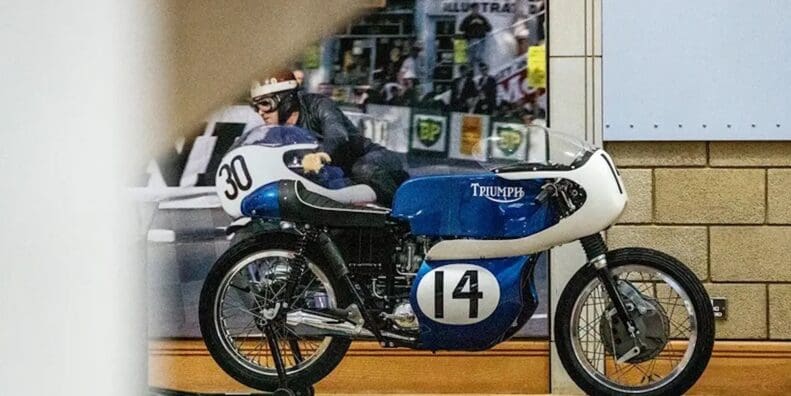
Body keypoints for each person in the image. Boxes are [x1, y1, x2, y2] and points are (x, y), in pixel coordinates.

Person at [249, 70, 408, 206]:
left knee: (363, 169)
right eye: (256, 106)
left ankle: (402, 218)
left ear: (286, 100)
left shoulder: (318, 104)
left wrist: (321, 154)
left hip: (368, 159)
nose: (260, 112)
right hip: (338, 176)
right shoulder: (276, 130)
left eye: (265, 103)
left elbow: (337, 134)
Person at [458, 3, 492, 71]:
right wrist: (470, 23)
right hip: (470, 40)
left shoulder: (482, 18)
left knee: (479, 57)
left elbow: (489, 28)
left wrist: (481, 23)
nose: (475, 10)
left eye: (477, 8)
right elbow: (461, 28)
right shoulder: (468, 18)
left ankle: (482, 72)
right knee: (471, 58)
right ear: (471, 9)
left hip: (481, 40)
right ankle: (471, 72)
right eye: (474, 9)